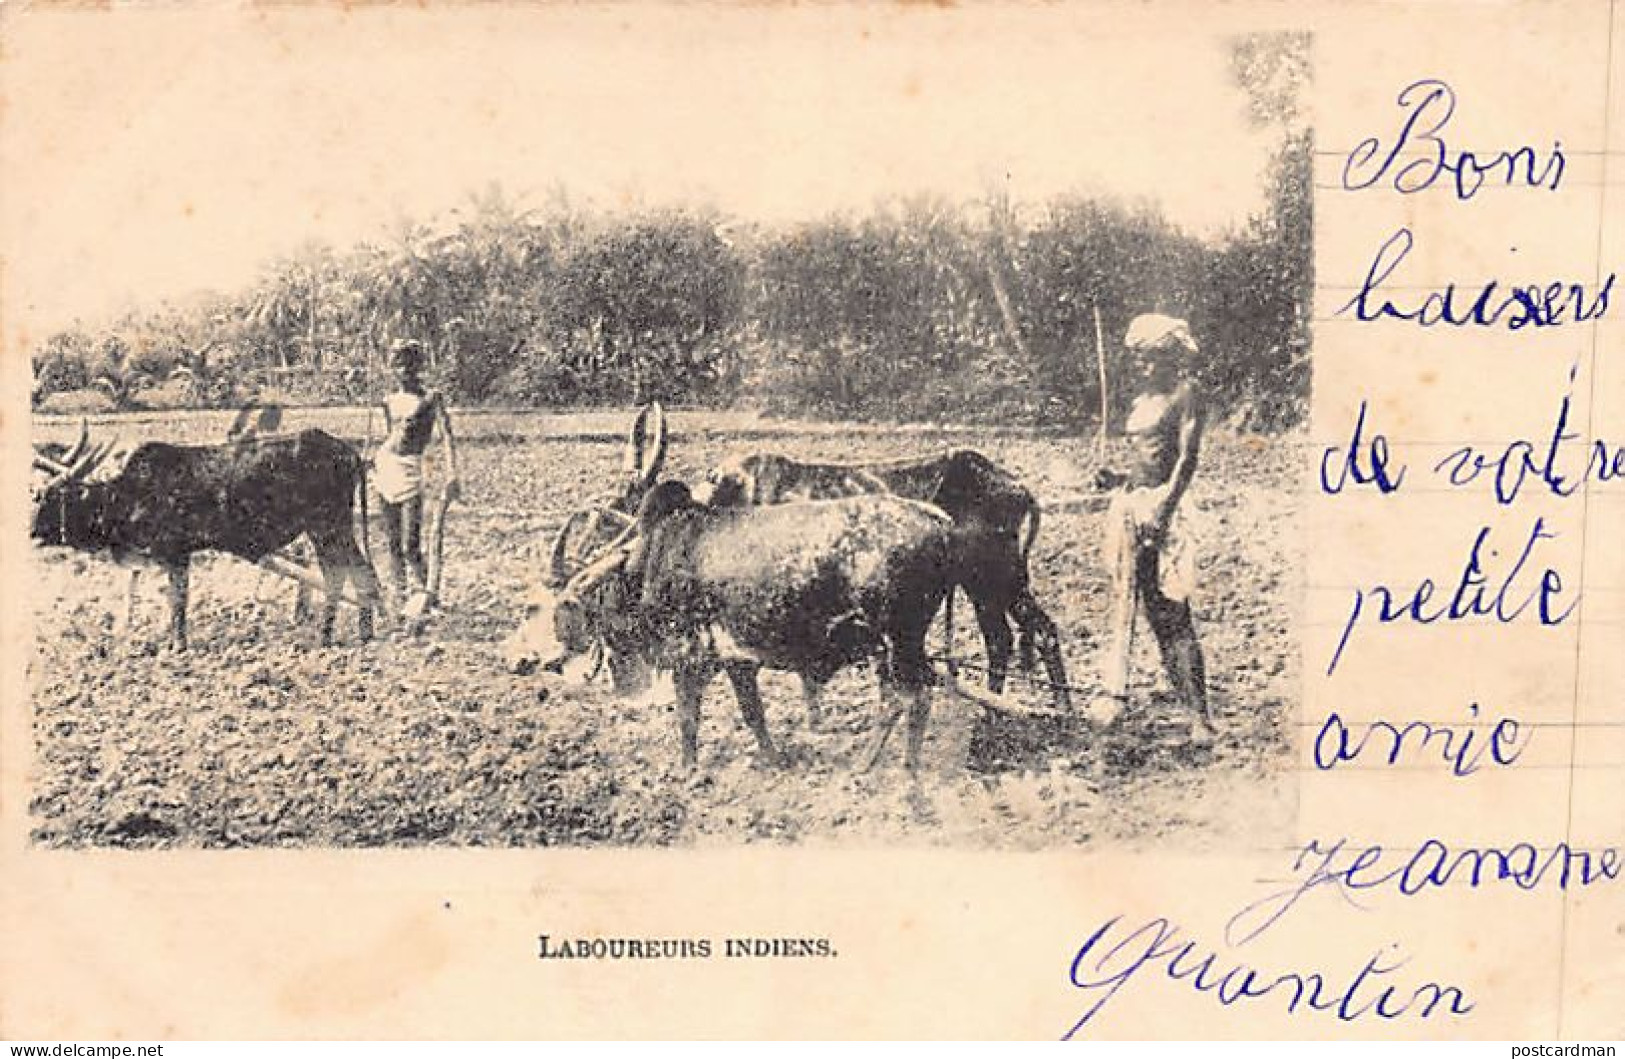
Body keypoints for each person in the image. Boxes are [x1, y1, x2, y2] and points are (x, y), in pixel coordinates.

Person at [1094, 314, 1211, 736]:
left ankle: (1201, 718)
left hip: (1165, 507)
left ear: (1170, 358)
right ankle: (1129, 695)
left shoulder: (1186, 394)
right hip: (1132, 504)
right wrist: (1116, 479)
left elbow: (1186, 459)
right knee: (1139, 605)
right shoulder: (1141, 401)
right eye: (1140, 359)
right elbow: (1142, 461)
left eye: (1151, 359)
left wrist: (1163, 511)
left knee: (1173, 611)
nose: (1143, 367)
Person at [371, 339, 460, 613]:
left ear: (418, 367)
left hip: (411, 469)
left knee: (411, 543)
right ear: (393, 369)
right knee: (392, 542)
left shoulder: (432, 399)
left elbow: (447, 436)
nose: (404, 371)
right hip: (386, 467)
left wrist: (452, 473)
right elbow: (388, 436)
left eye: (409, 365)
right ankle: (398, 597)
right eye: (399, 365)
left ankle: (427, 594)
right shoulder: (388, 401)